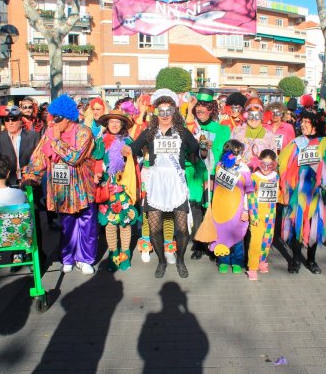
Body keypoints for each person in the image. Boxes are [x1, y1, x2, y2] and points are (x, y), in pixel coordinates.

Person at [123, 89, 206, 278]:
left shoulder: (182, 132)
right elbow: (134, 148)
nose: (165, 115)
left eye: (169, 111)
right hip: (156, 183)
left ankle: (181, 260)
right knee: (154, 228)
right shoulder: (149, 133)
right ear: (156, 113)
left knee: (182, 228)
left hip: (176, 182)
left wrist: (203, 147)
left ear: (174, 113)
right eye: (161, 111)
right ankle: (161, 261)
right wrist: (125, 151)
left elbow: (197, 150)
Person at [23, 94, 98, 275]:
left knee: (86, 224)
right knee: (67, 224)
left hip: (82, 187)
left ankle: (85, 259)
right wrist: (31, 175)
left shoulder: (83, 132)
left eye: (57, 118)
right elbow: (39, 156)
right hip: (61, 188)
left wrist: (56, 141)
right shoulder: (50, 132)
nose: (53, 122)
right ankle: (67, 257)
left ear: (68, 117)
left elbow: (74, 157)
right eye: (52, 117)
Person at [279, 110, 326, 274]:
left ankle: (311, 260)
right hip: (299, 193)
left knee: (315, 227)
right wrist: (285, 190)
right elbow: (285, 168)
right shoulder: (296, 143)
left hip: (319, 194)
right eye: (301, 121)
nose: (302, 125)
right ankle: (296, 260)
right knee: (297, 226)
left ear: (315, 125)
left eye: (307, 122)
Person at [184, 88, 231, 260]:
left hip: (211, 175)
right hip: (193, 174)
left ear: (211, 110)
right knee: (195, 208)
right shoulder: (189, 126)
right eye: (198, 108)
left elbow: (221, 154)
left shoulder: (222, 130)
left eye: (204, 108)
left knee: (212, 209)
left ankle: (213, 243)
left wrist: (211, 177)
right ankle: (198, 244)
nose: (200, 111)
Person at [94, 108, 139, 272]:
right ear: (107, 124)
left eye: (117, 122)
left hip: (124, 187)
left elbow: (135, 163)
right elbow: (96, 160)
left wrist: (130, 154)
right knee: (110, 224)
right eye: (111, 121)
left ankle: (125, 255)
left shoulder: (128, 141)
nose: (114, 124)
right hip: (107, 188)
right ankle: (114, 254)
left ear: (122, 125)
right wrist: (97, 173)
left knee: (125, 223)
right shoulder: (100, 141)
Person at [209, 139, 254, 274]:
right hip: (220, 209)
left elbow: (248, 192)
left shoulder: (244, 170)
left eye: (239, 152)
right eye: (234, 153)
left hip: (237, 209)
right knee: (221, 235)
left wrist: (246, 210)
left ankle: (237, 261)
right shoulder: (219, 166)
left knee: (237, 237)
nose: (238, 156)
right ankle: (223, 260)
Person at [246, 149, 279, 280]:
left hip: (271, 214)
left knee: (267, 239)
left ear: (274, 164)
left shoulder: (276, 176)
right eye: (263, 164)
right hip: (257, 214)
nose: (266, 168)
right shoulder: (254, 177)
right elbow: (250, 196)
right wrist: (251, 213)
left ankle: (262, 261)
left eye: (269, 165)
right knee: (255, 240)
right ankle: (252, 267)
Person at [230, 97, 277, 165]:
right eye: (251, 115)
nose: (254, 119)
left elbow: (274, 158)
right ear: (246, 115)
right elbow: (229, 153)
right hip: (240, 173)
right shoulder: (237, 131)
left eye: (257, 116)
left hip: (262, 172)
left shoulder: (269, 135)